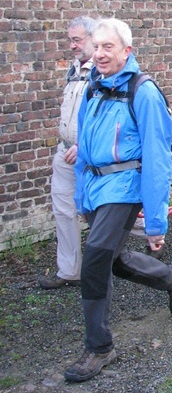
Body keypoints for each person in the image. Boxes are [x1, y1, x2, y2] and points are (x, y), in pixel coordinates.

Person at [66, 18, 172, 383]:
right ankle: (171, 277)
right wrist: (80, 194)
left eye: (109, 47)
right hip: (96, 187)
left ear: (126, 52)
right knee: (113, 260)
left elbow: (156, 159)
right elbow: (86, 145)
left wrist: (155, 222)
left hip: (125, 186)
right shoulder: (93, 86)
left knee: (96, 256)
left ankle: (99, 347)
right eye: (97, 47)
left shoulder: (143, 92)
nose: (100, 54)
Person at [38, 17, 96, 290]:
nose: (72, 45)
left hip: (88, 155)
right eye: (70, 40)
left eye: (77, 40)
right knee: (63, 210)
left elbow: (106, 119)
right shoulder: (74, 70)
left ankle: (154, 233)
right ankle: (70, 270)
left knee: (98, 210)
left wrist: (83, 146)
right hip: (65, 152)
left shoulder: (104, 72)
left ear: (92, 38)